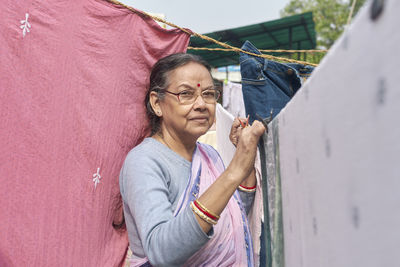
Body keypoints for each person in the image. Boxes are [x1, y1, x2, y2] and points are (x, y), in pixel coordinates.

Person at [119, 53, 265, 267]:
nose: (201, 104)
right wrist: (233, 171)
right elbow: (163, 251)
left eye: (208, 94)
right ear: (156, 103)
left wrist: (244, 157)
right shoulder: (143, 162)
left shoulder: (208, 154)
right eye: (186, 94)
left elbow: (234, 215)